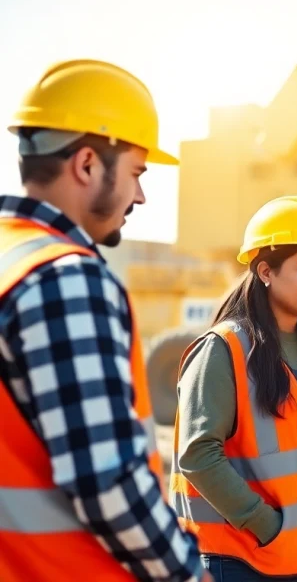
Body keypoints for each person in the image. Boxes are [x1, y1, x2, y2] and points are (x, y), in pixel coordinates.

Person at [0, 59, 207, 581]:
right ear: (87, 164)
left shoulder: (11, 258)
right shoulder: (63, 277)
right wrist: (187, 572)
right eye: (137, 173)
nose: (140, 195)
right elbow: (107, 482)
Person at [170, 196, 297, 582]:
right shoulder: (224, 348)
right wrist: (265, 525)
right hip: (243, 559)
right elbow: (197, 453)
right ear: (265, 271)